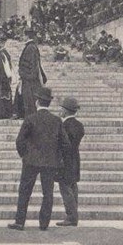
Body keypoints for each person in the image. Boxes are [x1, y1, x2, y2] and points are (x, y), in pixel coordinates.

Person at [8, 86, 69, 231]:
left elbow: (19, 141)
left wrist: (25, 155)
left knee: (24, 191)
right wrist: (57, 156)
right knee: (48, 193)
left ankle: (20, 221)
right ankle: (43, 223)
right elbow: (65, 143)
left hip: (31, 161)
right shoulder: (56, 121)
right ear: (49, 103)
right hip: (50, 162)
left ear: (37, 102)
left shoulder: (30, 119)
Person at [56, 97, 85, 227]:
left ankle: (71, 217)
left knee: (65, 189)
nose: (60, 110)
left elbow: (62, 145)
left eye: (61, 108)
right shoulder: (79, 125)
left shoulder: (63, 126)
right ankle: (73, 215)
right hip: (75, 159)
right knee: (73, 187)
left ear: (66, 111)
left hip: (65, 161)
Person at [17, 29, 46, 118]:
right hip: (29, 78)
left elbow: (32, 65)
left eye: (23, 35)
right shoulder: (32, 47)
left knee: (29, 99)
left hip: (29, 79)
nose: (22, 37)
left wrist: (24, 74)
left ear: (27, 36)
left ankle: (30, 117)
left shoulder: (30, 48)